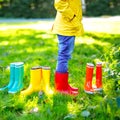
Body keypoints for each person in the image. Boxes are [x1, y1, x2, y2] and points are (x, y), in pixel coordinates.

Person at [52, 0, 84, 96]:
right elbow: (59, 3)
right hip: (66, 27)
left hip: (69, 26)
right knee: (64, 56)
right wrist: (72, 16)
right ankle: (61, 87)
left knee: (65, 56)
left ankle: (64, 85)